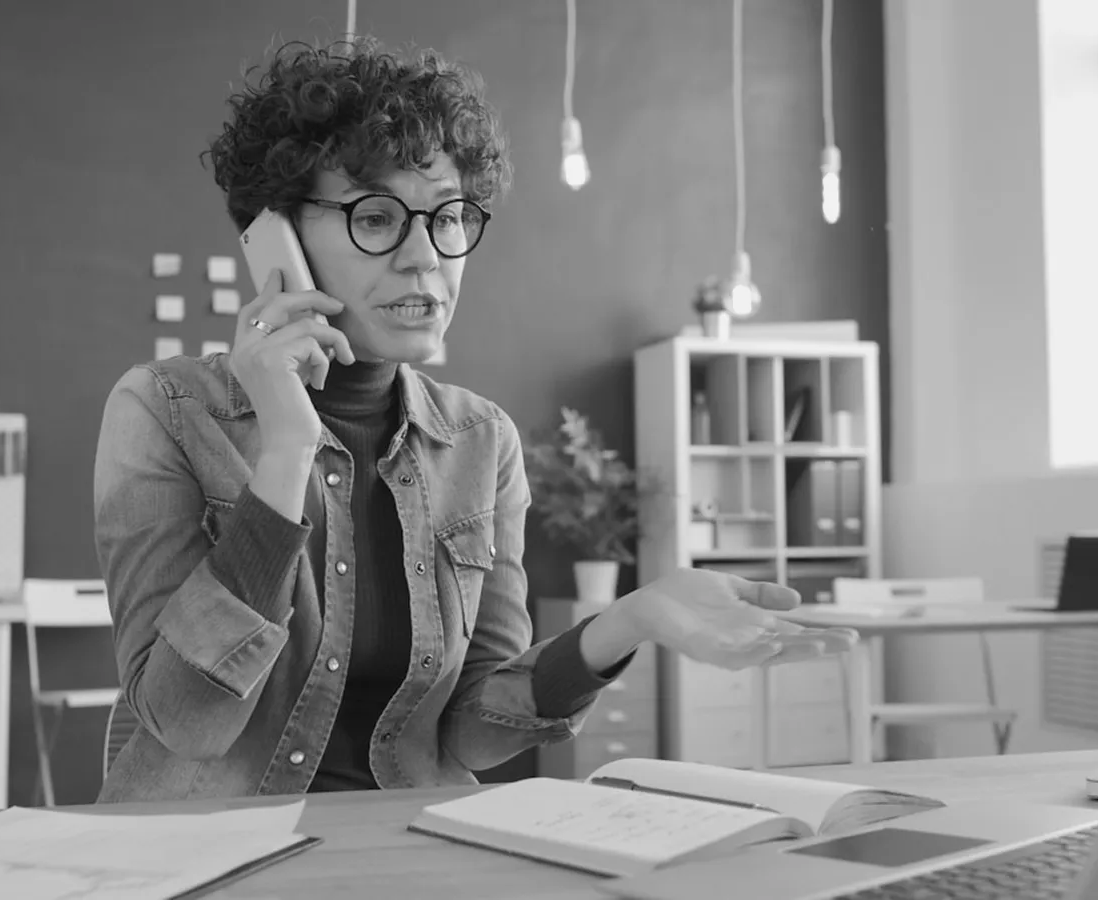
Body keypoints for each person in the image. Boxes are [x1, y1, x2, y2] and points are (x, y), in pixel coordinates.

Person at [92, 36, 857, 802]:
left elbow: (470, 732)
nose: (426, 256)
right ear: (277, 239)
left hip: (406, 848)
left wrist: (629, 621)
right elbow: (184, 723)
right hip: (202, 856)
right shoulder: (164, 409)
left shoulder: (480, 441)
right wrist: (286, 450)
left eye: (448, 217)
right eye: (379, 216)